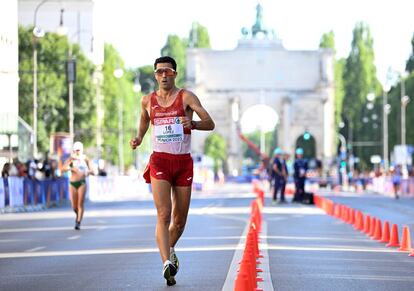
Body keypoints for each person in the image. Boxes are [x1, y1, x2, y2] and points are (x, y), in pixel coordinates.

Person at [130, 56, 215, 286]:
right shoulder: (147, 100)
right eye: (159, 72)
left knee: (179, 220)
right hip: (160, 162)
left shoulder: (186, 97)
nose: (164, 75)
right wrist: (138, 137)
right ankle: (166, 262)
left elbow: (210, 123)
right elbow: (144, 121)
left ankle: (171, 247)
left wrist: (194, 124)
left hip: (182, 163)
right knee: (163, 214)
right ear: (155, 75)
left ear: (174, 74)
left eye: (168, 71)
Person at [62, 141, 92, 230]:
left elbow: (93, 170)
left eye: (78, 150)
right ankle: (78, 215)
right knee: (74, 206)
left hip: (82, 182)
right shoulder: (71, 159)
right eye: (76, 150)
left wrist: (87, 172)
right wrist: (71, 168)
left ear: (81, 150)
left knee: (80, 204)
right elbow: (62, 169)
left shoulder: (85, 159)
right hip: (72, 183)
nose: (77, 152)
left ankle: (78, 222)